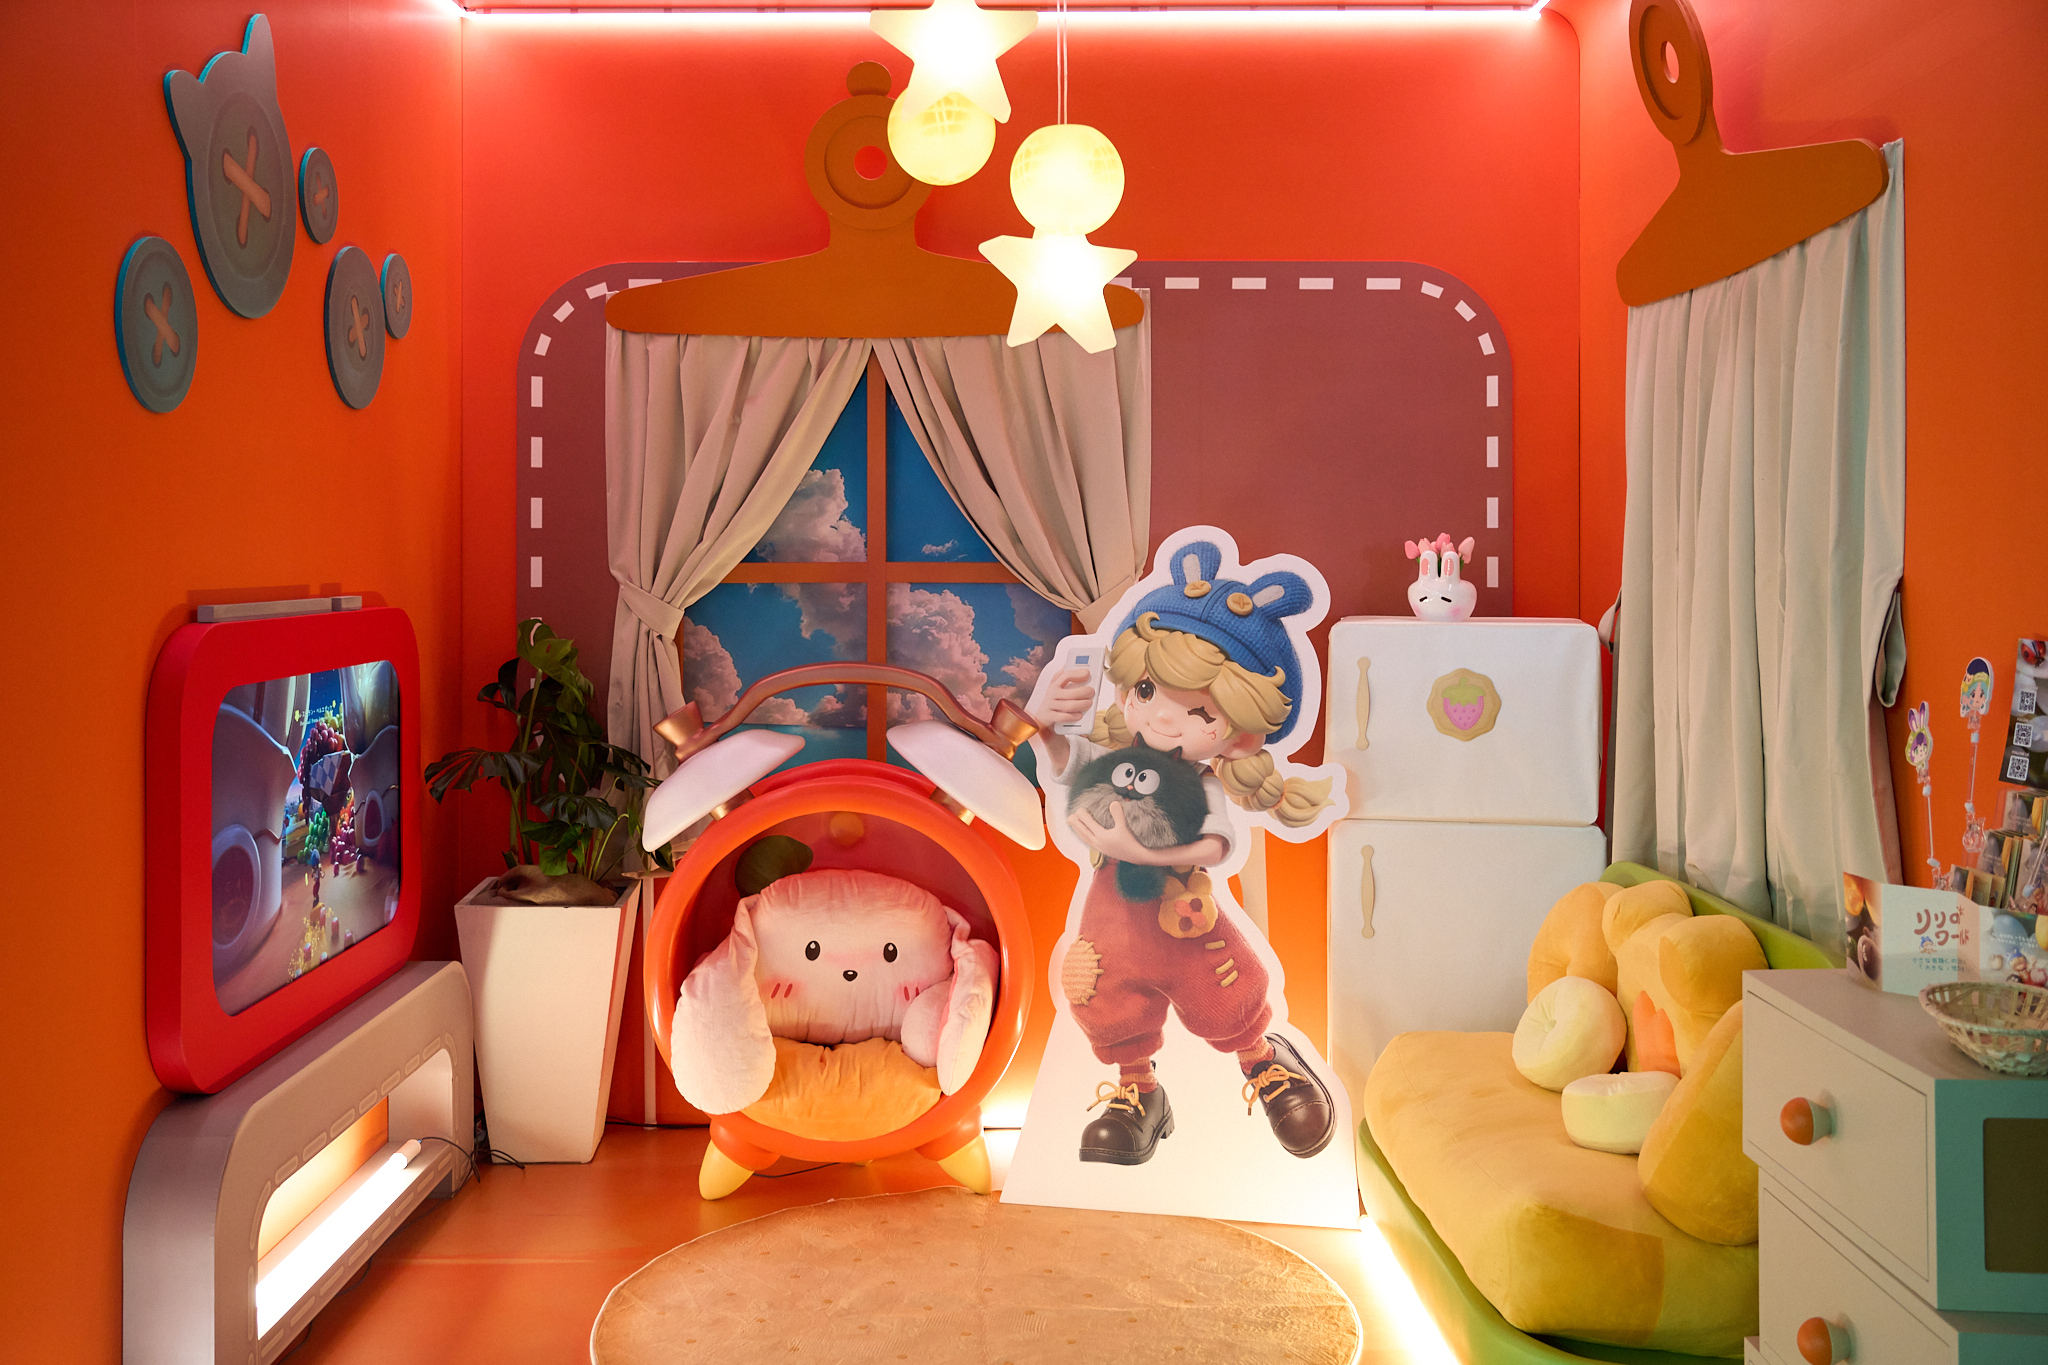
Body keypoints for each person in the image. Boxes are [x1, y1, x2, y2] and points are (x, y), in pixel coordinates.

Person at [1031, 540, 1338, 1166]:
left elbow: (1216, 844)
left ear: (1239, 734)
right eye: (1147, 689)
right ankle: (1138, 1092)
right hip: (1111, 917)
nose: (1165, 719)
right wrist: (1039, 724)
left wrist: (1139, 851)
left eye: (1199, 711)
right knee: (1101, 994)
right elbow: (1067, 760)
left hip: (1185, 916)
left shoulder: (1201, 783)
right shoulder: (1113, 758)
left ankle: (1263, 1060)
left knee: (1222, 991)